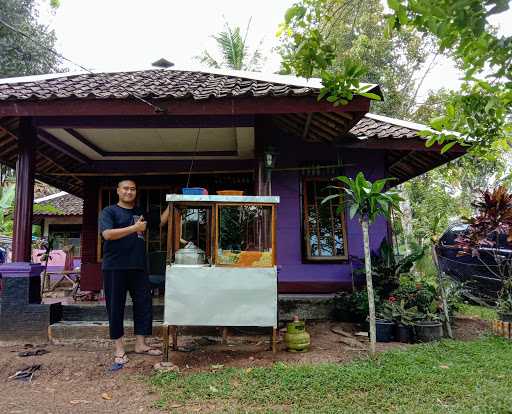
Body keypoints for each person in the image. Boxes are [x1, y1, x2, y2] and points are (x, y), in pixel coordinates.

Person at [99, 178, 162, 365]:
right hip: (114, 266)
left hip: (138, 266)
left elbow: (161, 221)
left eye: (133, 189)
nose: (129, 192)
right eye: (125, 188)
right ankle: (119, 348)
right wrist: (135, 228)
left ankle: (140, 344)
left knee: (144, 304)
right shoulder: (109, 211)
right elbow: (107, 234)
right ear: (118, 191)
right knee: (115, 306)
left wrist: (174, 203)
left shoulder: (140, 212)